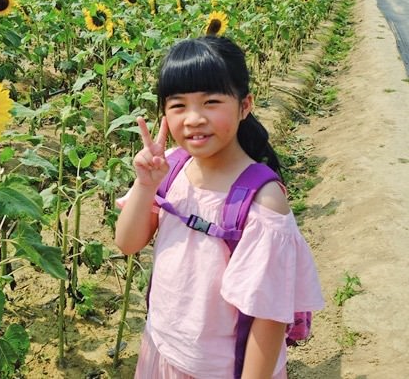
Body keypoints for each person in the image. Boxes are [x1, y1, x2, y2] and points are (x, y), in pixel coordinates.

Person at [115, 36, 324, 379]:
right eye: (178, 105)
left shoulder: (262, 202)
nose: (194, 118)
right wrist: (146, 183)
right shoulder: (171, 168)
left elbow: (268, 317)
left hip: (220, 368)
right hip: (163, 349)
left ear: (245, 106)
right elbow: (127, 242)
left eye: (211, 101)